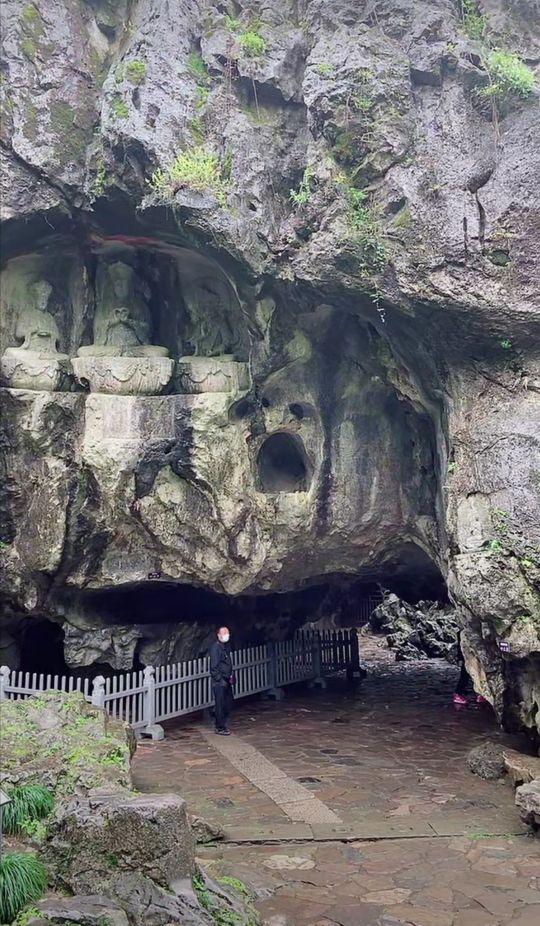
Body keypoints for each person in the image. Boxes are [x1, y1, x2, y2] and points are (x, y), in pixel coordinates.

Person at [209, 626, 234, 735]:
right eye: (224, 633)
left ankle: (222, 723)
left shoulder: (225, 646)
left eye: (227, 633)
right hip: (220, 681)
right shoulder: (216, 648)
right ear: (218, 635)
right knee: (220, 704)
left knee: (227, 703)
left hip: (226, 679)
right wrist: (220, 679)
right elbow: (214, 666)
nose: (226, 635)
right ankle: (220, 727)